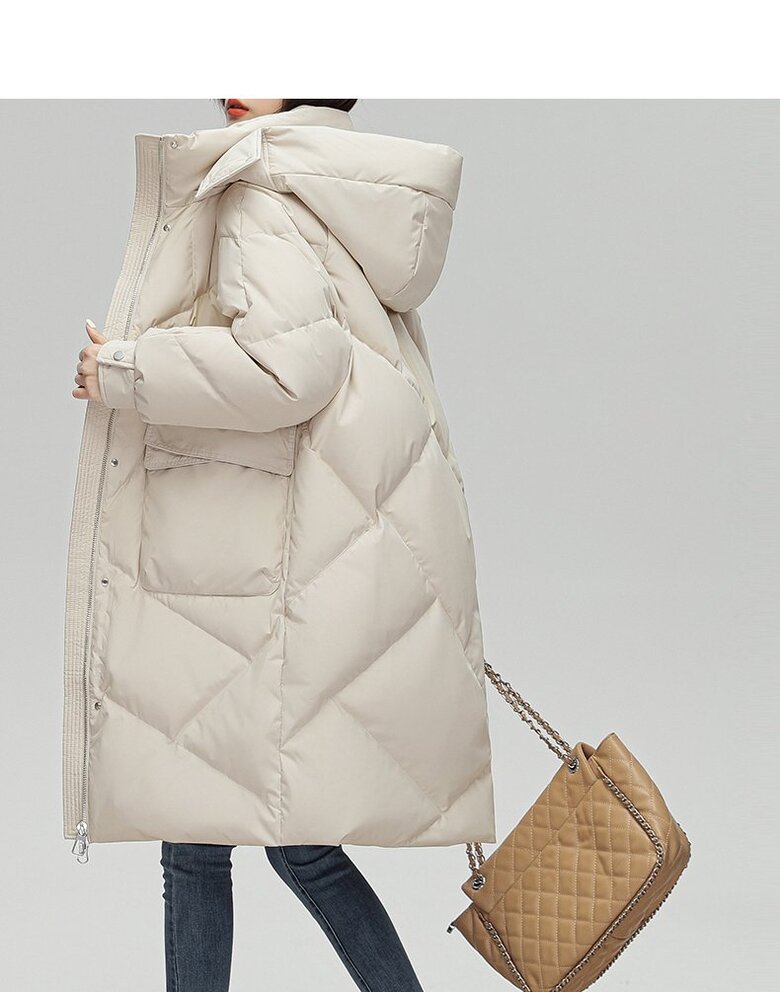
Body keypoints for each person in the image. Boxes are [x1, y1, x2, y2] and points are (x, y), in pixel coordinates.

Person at [67, 97, 496, 992]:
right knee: (251, 841)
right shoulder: (341, 192)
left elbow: (289, 368)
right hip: (290, 559)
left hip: (253, 567)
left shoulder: (259, 191)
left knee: (230, 844)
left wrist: (128, 368)